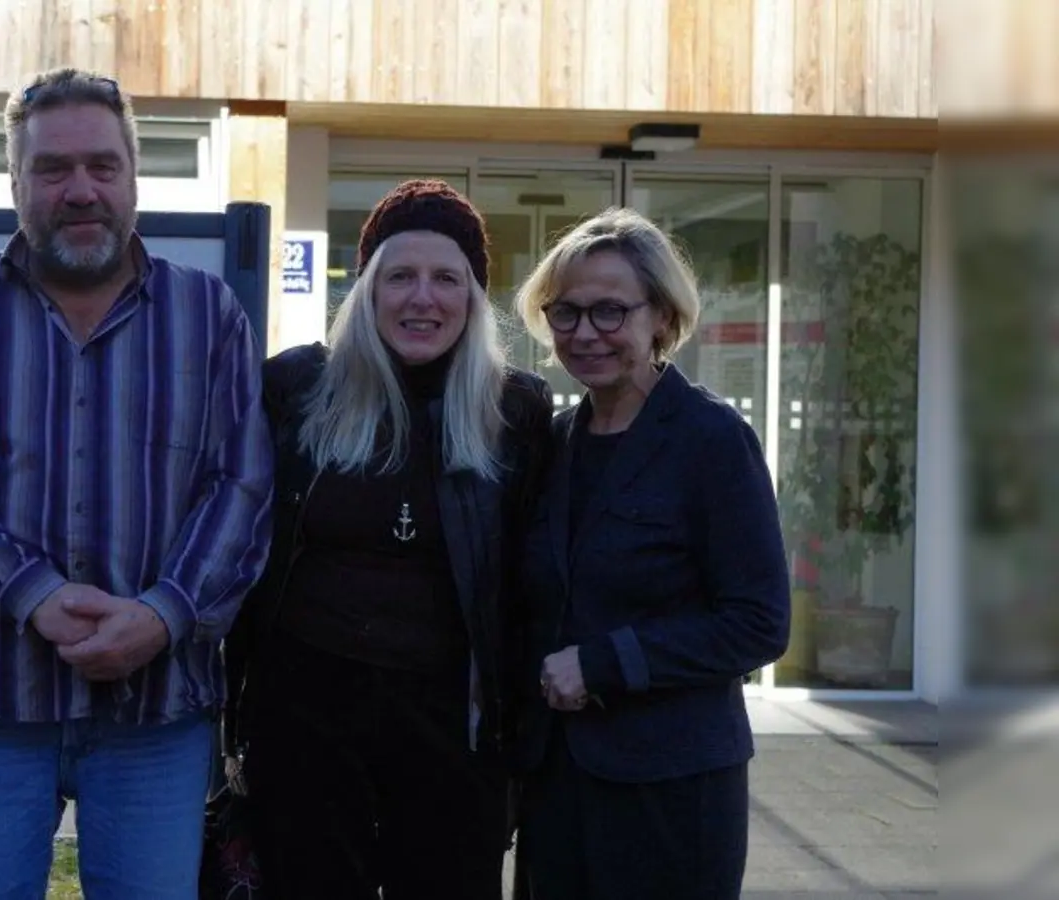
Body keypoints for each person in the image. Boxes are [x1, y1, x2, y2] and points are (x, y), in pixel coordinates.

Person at [0, 67, 274, 900]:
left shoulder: (208, 317)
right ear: (16, 182)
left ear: (134, 175)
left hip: (156, 717)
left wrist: (163, 616)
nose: (80, 190)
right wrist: (33, 593)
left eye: (102, 165)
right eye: (52, 170)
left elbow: (242, 485)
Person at [223, 179, 554, 900]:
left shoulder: (516, 411)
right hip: (306, 712)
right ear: (368, 290)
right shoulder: (296, 389)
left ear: (472, 296)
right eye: (400, 276)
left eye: (446, 278)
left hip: (451, 723)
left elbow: (530, 584)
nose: (421, 298)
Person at [507, 207, 792, 899]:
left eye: (610, 312)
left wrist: (605, 664)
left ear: (661, 317)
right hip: (556, 783)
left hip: (670, 787)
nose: (584, 333)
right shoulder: (556, 439)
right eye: (565, 312)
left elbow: (758, 622)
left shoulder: (711, 440)